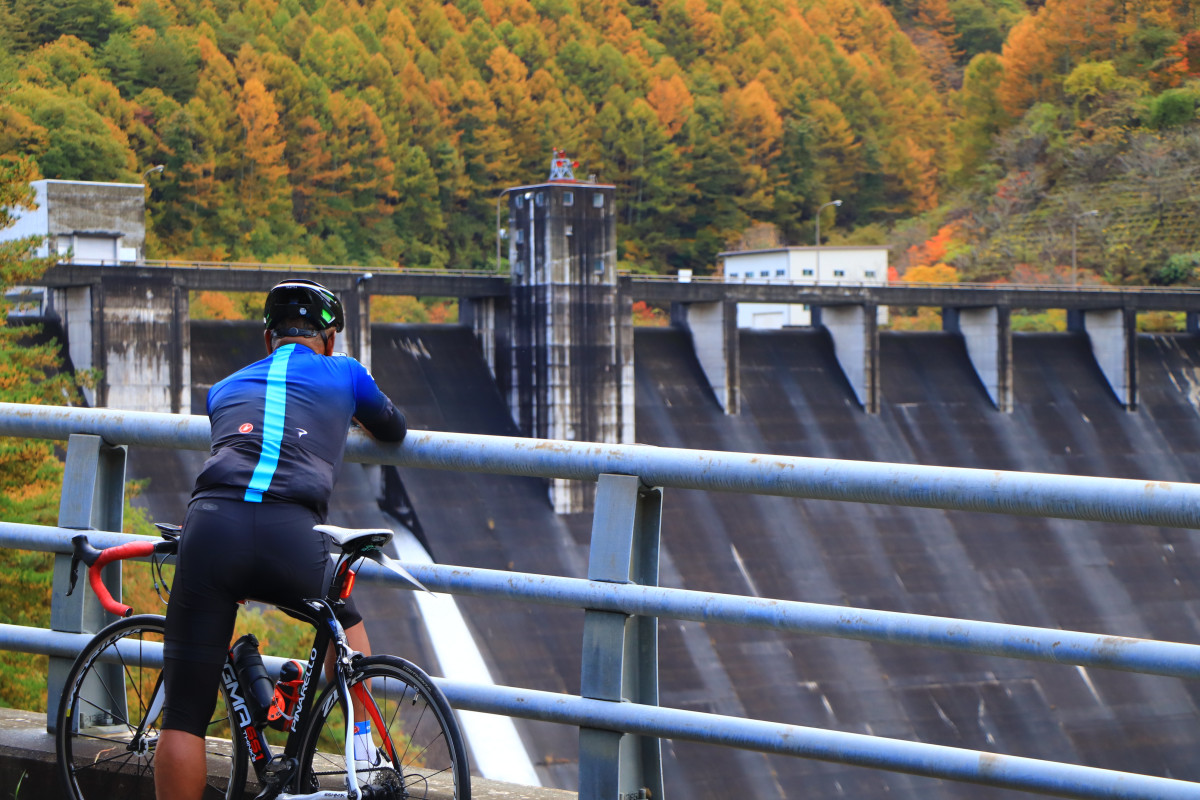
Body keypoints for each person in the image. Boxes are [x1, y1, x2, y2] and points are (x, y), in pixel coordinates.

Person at [155, 279, 407, 800]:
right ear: (330, 339)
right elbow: (394, 428)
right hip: (292, 532)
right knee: (346, 621)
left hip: (211, 529)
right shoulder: (346, 372)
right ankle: (364, 751)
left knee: (183, 714)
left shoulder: (222, 388)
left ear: (267, 338)